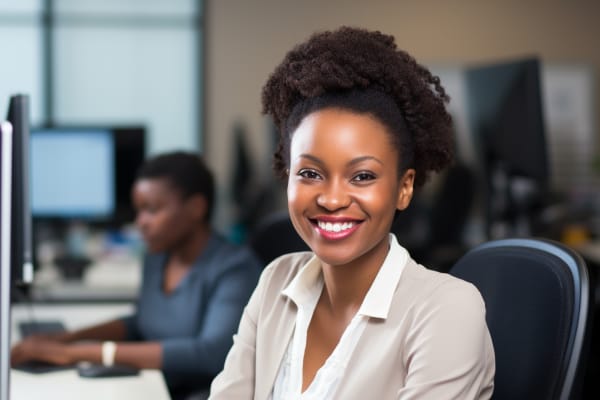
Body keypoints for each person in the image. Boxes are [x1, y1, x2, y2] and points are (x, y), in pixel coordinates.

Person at [209, 26, 495, 399]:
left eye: (362, 176)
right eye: (310, 173)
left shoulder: (446, 309)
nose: (331, 199)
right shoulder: (276, 282)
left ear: (404, 187)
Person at [11, 151, 263, 400]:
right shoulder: (158, 256)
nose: (140, 222)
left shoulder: (234, 269)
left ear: (196, 207)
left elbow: (210, 353)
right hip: (154, 385)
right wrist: (67, 339)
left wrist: (77, 353)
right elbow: (141, 322)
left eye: (152, 210)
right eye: (138, 210)